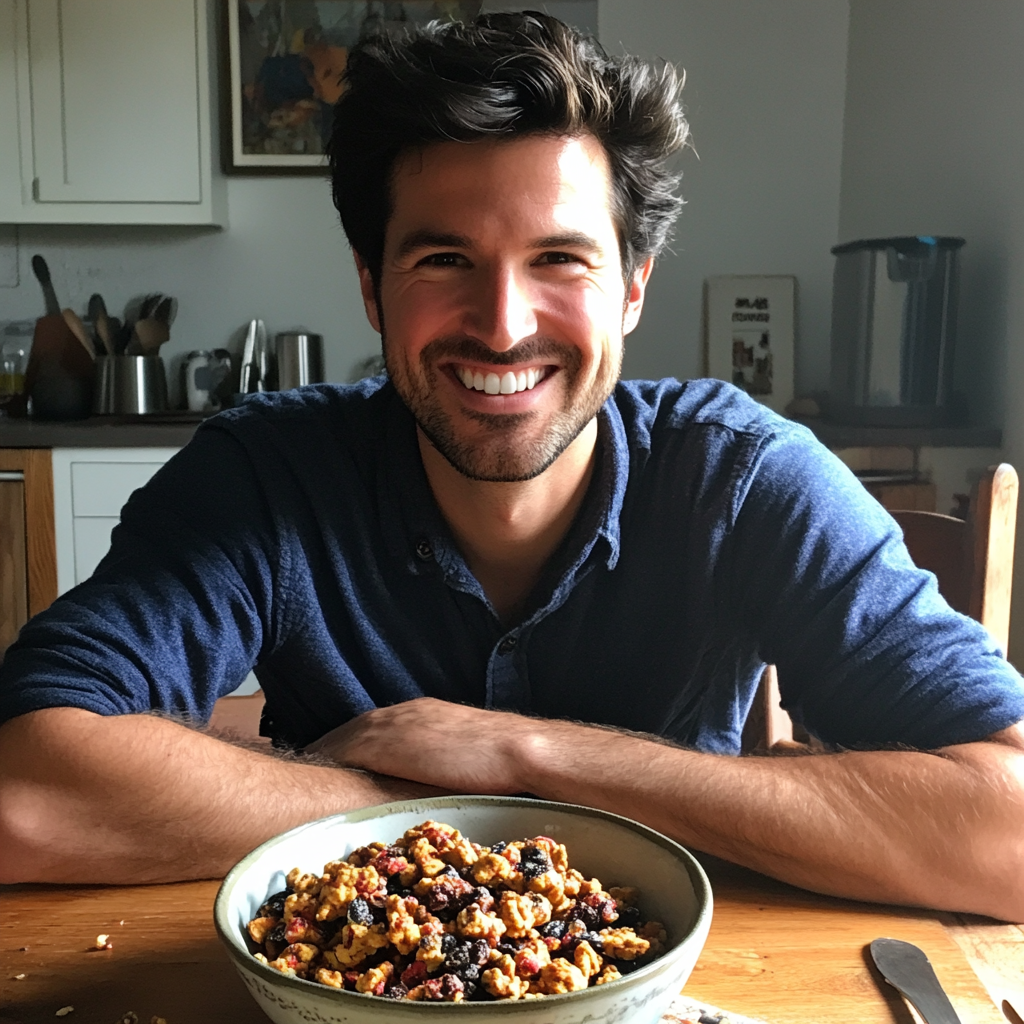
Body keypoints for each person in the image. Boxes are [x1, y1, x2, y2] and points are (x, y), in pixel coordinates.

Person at [1, 12, 1022, 920]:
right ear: (372, 287)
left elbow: (1008, 834)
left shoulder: (742, 475)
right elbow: (24, 784)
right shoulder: (264, 473)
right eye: (443, 260)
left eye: (559, 260)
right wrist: (442, 811)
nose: (501, 325)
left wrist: (528, 752)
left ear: (631, 288)